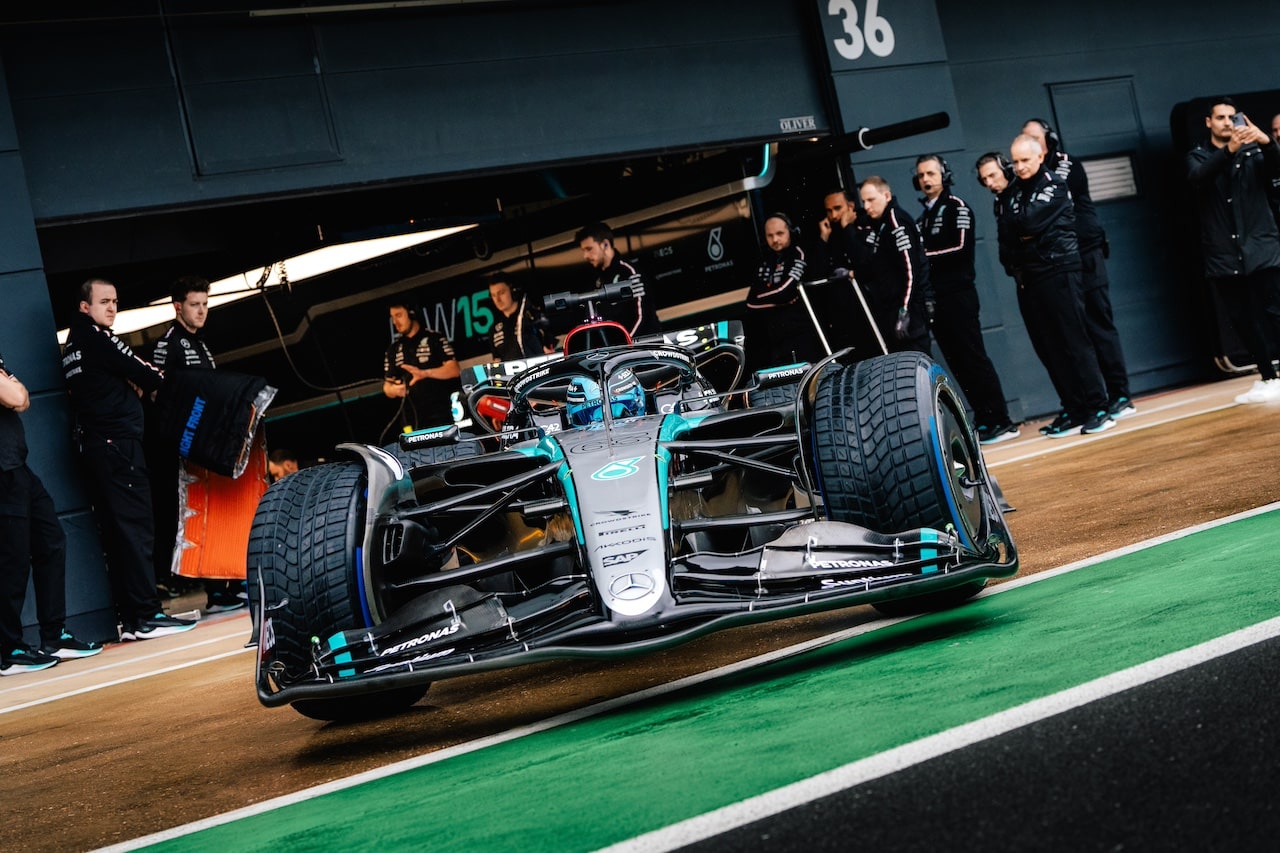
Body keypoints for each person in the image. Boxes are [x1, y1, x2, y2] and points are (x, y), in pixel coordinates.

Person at [61, 279, 196, 640]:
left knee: (120, 533)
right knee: (136, 529)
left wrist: (126, 382)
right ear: (84, 307)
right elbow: (146, 372)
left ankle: (134, 618)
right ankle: (148, 615)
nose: (112, 308)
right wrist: (139, 380)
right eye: (104, 301)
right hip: (118, 446)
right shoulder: (97, 338)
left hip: (98, 448)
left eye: (115, 302)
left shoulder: (73, 346)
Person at [1022, 119, 1136, 419]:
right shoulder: (1029, 177)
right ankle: (1089, 400)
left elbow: (1048, 209)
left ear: (1049, 140)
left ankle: (1120, 393)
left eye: (1035, 137)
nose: (1030, 142)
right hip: (1061, 260)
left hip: (1085, 252)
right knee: (1074, 332)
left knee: (1099, 323)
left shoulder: (1065, 166)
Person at [1004, 137, 1114, 437]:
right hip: (1033, 275)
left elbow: (1027, 224)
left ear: (1040, 156)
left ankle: (1098, 406)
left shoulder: (1054, 184)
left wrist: (1022, 228)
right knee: (1050, 347)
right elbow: (1009, 227)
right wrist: (1021, 228)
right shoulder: (1014, 191)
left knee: (1074, 341)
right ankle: (1075, 407)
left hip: (1060, 270)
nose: (1020, 167)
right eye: (1015, 161)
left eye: (1025, 160)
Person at [1, 350, 103, 674]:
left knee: (51, 541)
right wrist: (12, 388)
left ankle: (53, 635)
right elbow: (15, 394)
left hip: (18, 467)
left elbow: (21, 398)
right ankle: (8, 650)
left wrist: (12, 389)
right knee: (12, 561)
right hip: (2, 473)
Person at [147, 276, 243, 613]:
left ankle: (221, 587)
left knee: (213, 512)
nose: (202, 311)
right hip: (180, 447)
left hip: (207, 442)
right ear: (178, 307)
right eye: (195, 305)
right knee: (184, 517)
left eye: (205, 304)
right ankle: (177, 586)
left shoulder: (201, 344)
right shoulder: (168, 343)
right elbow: (159, 395)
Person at [914, 154, 1018, 444]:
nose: (926, 179)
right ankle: (985, 419)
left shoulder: (957, 207)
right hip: (939, 301)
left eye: (931, 173)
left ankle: (1002, 420)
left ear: (944, 174)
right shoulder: (924, 217)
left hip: (959, 297)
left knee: (973, 358)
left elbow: (958, 249)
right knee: (957, 363)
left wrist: (921, 258)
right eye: (921, 175)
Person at [1186, 98, 1280, 403]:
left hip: (1260, 246)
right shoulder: (1197, 156)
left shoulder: (1255, 151)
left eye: (1232, 117)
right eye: (1221, 117)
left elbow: (1276, 173)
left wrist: (1267, 143)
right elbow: (1198, 178)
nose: (1228, 122)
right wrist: (1229, 151)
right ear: (1208, 123)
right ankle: (1268, 376)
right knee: (1242, 319)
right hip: (1224, 252)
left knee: (1275, 312)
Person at [851, 177, 931, 354]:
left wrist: (905, 310)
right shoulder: (881, 224)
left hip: (909, 313)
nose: (866, 206)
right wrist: (852, 273)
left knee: (919, 364)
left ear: (886, 196)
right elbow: (879, 266)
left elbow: (911, 269)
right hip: (892, 311)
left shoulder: (896, 221)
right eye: (864, 201)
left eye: (871, 200)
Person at [744, 213, 822, 369]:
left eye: (780, 234)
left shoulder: (798, 253)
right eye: (770, 235)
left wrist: (771, 296)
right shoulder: (766, 260)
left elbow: (785, 292)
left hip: (801, 334)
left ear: (791, 233)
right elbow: (751, 302)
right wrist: (782, 300)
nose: (775, 240)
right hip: (776, 339)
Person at [381, 300, 462, 430]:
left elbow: (454, 369)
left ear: (412, 314)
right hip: (410, 421)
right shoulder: (393, 349)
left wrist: (425, 373)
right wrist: (393, 390)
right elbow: (387, 386)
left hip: (440, 415)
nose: (395, 322)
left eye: (399, 315)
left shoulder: (435, 338)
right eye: (392, 317)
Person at [575, 222, 661, 338]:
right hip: (618, 350)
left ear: (605, 244)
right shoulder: (597, 280)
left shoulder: (629, 272)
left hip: (645, 346)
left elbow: (643, 316)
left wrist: (628, 345)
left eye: (589, 249)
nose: (585, 256)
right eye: (583, 250)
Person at [488, 278, 553, 361]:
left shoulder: (532, 315)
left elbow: (550, 344)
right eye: (493, 295)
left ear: (513, 291)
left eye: (501, 293)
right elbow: (497, 361)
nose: (497, 300)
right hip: (513, 373)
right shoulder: (493, 329)